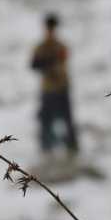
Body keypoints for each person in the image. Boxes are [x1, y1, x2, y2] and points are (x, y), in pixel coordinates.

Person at [31, 13, 79, 156]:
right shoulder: (41, 47)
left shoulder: (61, 46)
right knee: (47, 120)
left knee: (67, 119)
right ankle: (46, 148)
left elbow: (64, 59)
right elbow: (34, 65)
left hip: (61, 87)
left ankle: (71, 147)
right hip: (48, 88)